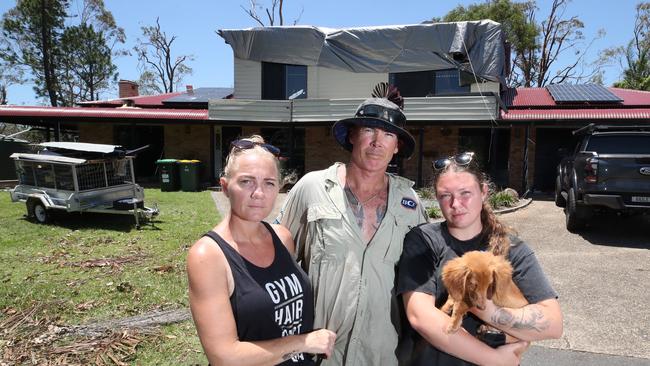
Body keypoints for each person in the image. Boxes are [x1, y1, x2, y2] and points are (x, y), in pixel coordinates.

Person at [276, 97, 429, 365]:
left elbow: (427, 277)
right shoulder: (312, 188)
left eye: (388, 134)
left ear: (397, 147)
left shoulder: (410, 203)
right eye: (369, 130)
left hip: (383, 354)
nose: (377, 142)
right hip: (319, 354)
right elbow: (273, 260)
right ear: (352, 136)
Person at [397, 152, 564, 366]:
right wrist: (494, 359)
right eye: (445, 195)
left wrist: (484, 308)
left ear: (484, 192)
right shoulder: (424, 240)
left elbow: (553, 324)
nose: (456, 204)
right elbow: (420, 316)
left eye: (465, 193)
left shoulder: (512, 250)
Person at [187, 136, 336, 366]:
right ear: (225, 187)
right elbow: (224, 357)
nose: (259, 193)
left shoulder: (282, 237)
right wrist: (304, 342)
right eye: (247, 181)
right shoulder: (209, 256)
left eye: (269, 183)